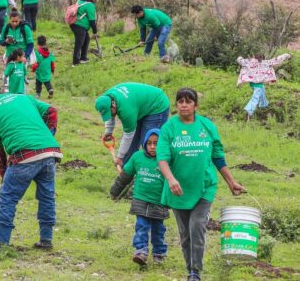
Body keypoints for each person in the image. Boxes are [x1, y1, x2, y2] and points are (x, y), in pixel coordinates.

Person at [157, 88, 245, 281]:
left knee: (197, 225)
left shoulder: (207, 126)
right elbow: (162, 158)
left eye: (188, 101)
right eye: (180, 101)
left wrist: (231, 182)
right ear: (176, 105)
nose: (184, 105)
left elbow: (218, 157)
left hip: (205, 186)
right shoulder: (169, 129)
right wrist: (171, 179)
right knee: (185, 233)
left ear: (196, 105)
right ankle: (190, 268)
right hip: (178, 189)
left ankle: (195, 271)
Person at [0, 81, 60, 249]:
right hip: (50, 152)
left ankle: (0, 241)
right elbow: (52, 112)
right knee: (46, 197)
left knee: (8, 197)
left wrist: (4, 174)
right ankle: (46, 240)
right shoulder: (24, 98)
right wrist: (49, 136)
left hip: (24, 155)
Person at [110, 129, 169, 266]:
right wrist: (115, 191)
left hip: (159, 202)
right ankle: (141, 251)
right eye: (149, 143)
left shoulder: (167, 160)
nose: (153, 146)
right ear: (144, 144)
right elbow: (125, 176)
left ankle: (159, 253)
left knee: (158, 229)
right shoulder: (137, 157)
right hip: (140, 200)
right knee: (141, 226)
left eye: (156, 143)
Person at [95, 83, 170, 168]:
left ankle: (152, 175)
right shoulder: (105, 99)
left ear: (113, 104)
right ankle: (127, 174)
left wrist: (119, 157)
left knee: (149, 144)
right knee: (130, 146)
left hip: (157, 105)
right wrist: (108, 132)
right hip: (138, 106)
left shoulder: (126, 111)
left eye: (110, 112)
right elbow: (110, 115)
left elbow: (128, 136)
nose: (110, 115)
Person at [236, 53, 290, 120]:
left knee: (262, 91)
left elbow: (240, 60)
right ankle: (249, 111)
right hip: (258, 84)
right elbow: (277, 60)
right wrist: (286, 55)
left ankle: (263, 104)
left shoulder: (249, 62)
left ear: (255, 57)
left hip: (252, 83)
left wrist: (240, 56)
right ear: (262, 58)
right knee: (255, 97)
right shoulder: (265, 63)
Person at [70, 0, 100, 65]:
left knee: (86, 39)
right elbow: (92, 20)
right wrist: (95, 31)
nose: (97, 0)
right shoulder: (90, 5)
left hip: (75, 23)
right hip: (79, 25)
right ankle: (75, 62)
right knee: (79, 43)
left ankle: (83, 58)